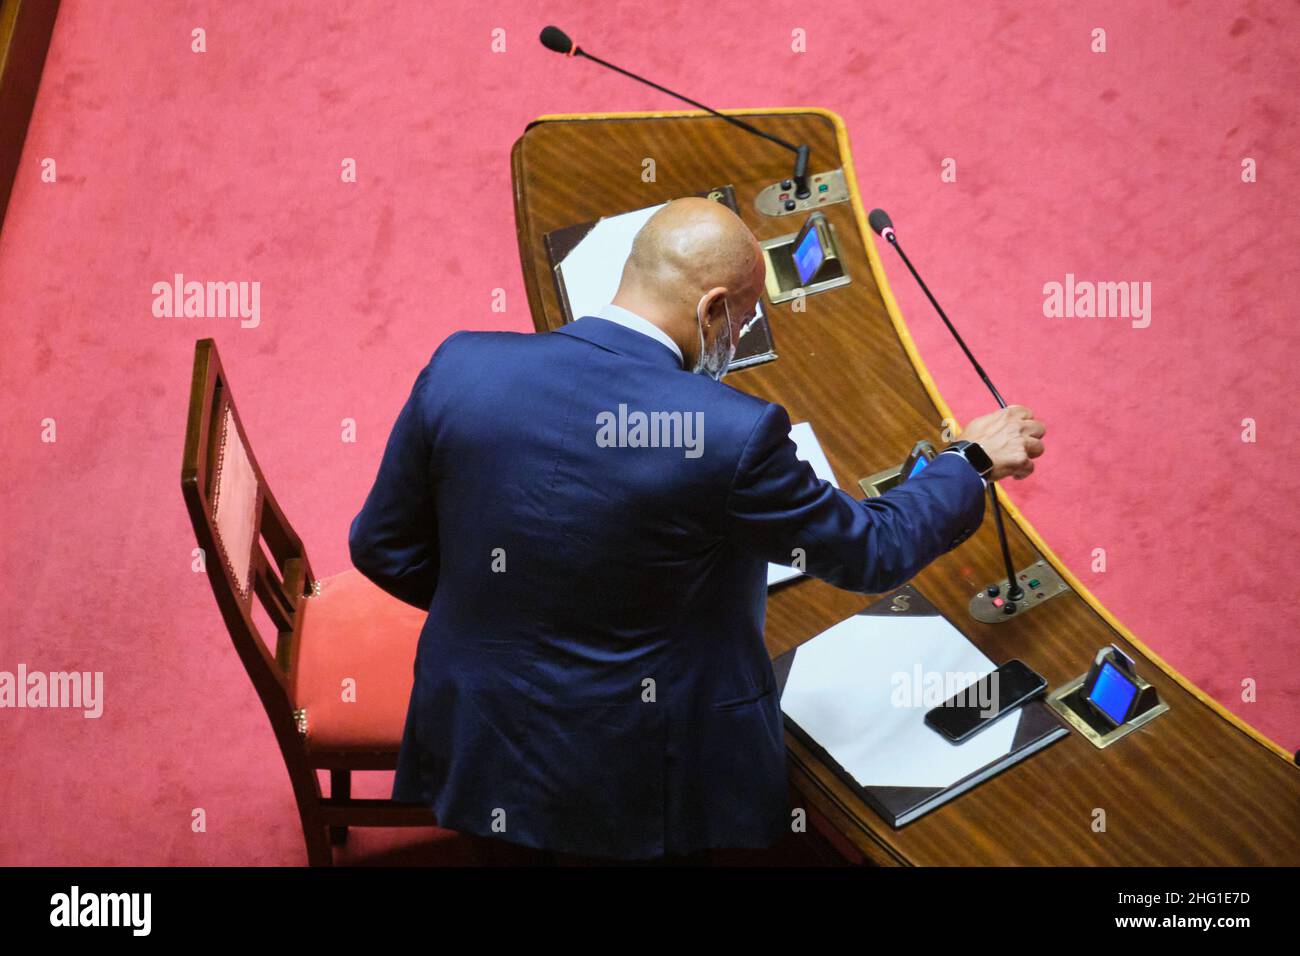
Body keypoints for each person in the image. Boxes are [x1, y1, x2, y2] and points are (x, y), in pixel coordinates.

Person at [348, 197, 1046, 862]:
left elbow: (381, 547)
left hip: (478, 734)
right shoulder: (728, 433)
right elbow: (871, 551)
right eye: (742, 322)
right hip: (635, 772)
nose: (737, 341)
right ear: (713, 310)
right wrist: (970, 461)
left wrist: (509, 606)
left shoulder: (461, 366)